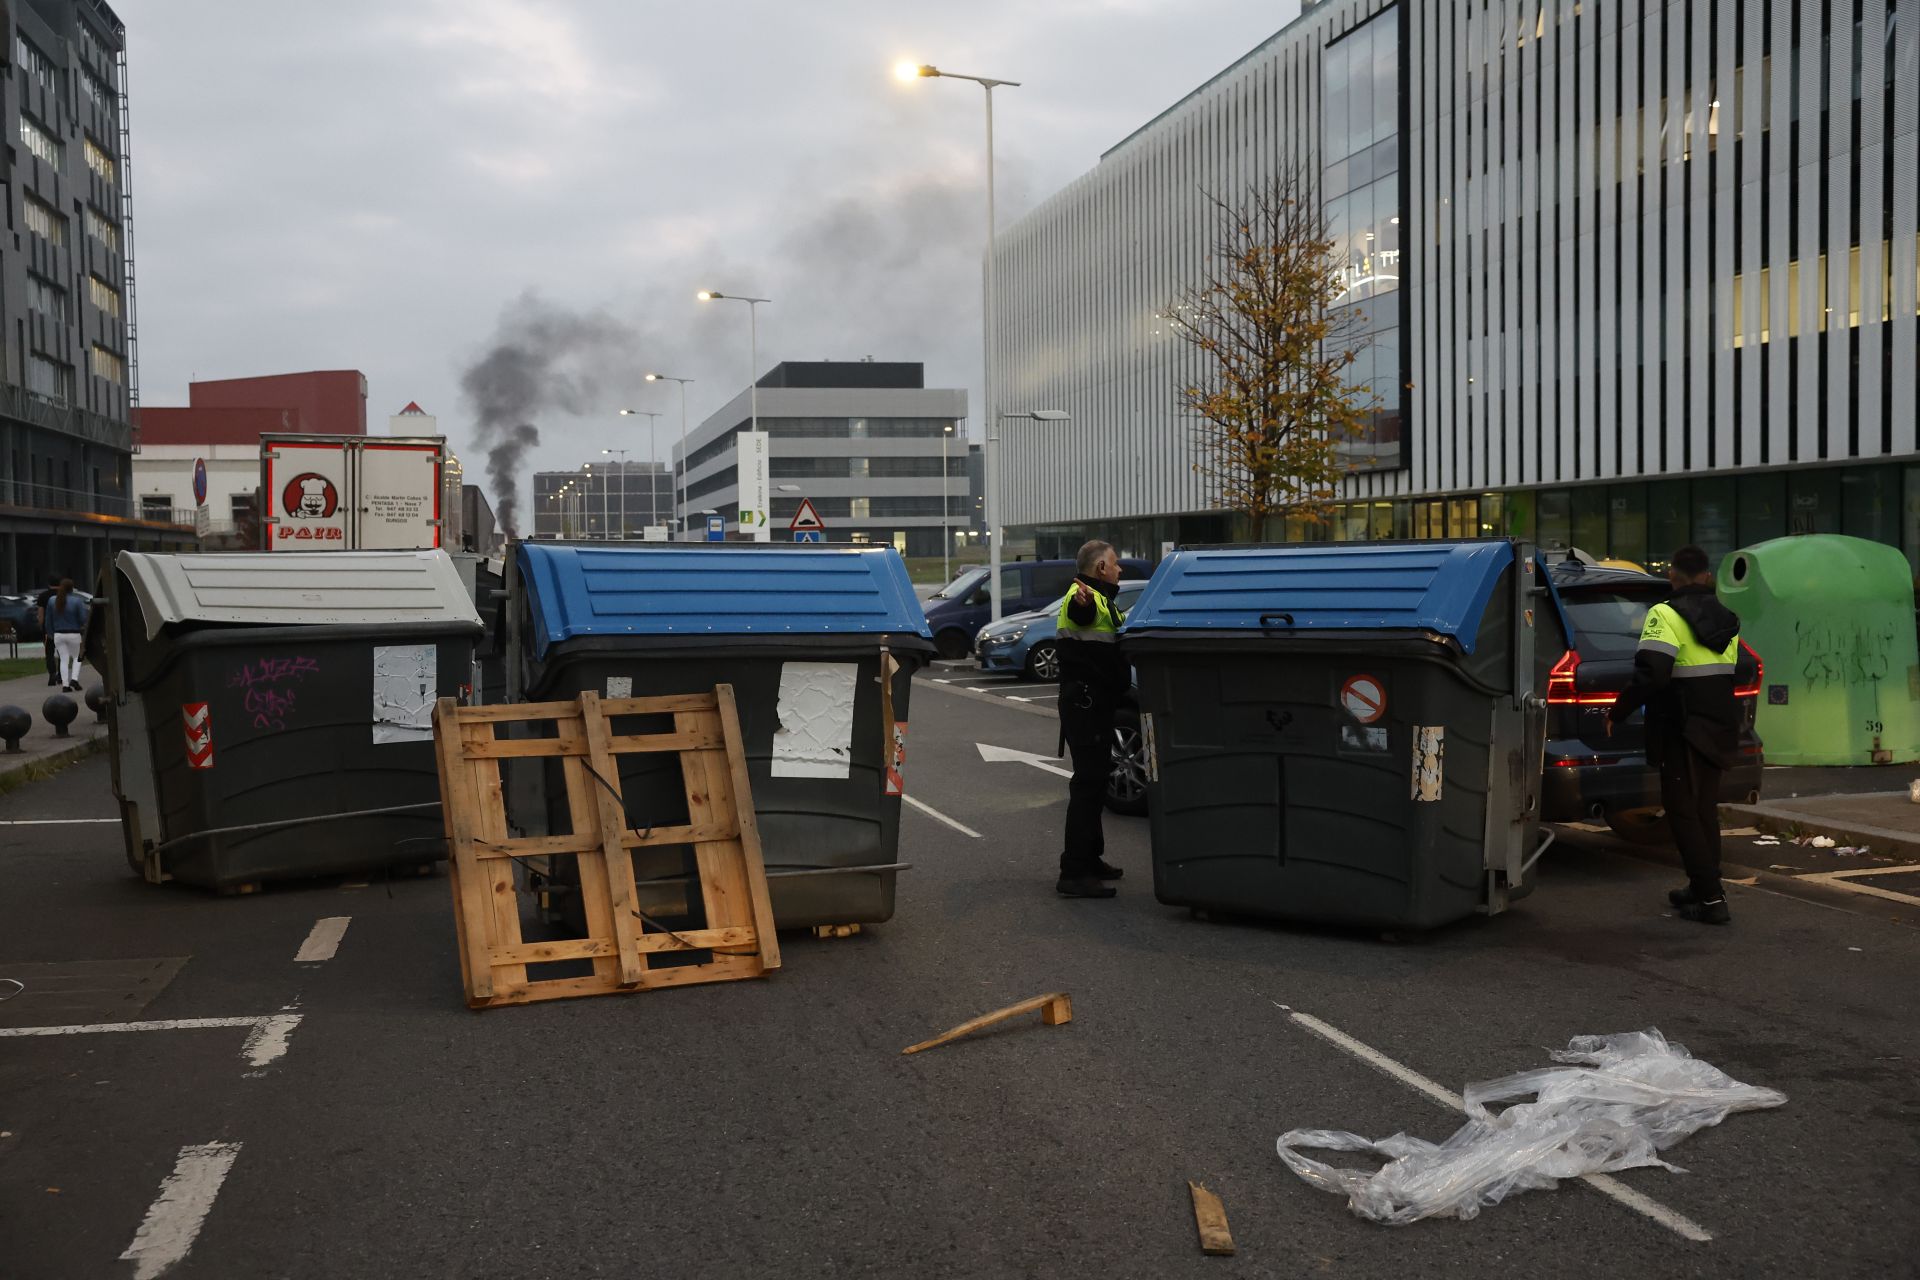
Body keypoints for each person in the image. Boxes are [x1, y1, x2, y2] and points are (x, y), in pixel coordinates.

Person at [1607, 546, 1746, 925]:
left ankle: (1712, 900)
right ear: (1706, 574)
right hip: (1718, 724)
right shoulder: (1727, 617)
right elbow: (1739, 669)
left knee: (1683, 811)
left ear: (1672, 575)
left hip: (1682, 727)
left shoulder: (1664, 614)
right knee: (1703, 809)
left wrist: (1618, 711)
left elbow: (1652, 673)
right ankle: (1702, 886)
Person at [1054, 540, 1129, 898]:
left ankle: (1090, 858)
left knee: (1095, 784)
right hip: (1086, 707)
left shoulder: (1103, 600)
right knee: (1087, 786)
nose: (1120, 569)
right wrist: (1081, 604)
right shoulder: (1081, 598)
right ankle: (1074, 872)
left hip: (1092, 706)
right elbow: (1079, 612)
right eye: (1115, 563)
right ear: (1100, 568)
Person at [44, 579, 89, 693]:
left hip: (58, 634)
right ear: (72, 589)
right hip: (73, 633)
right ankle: (74, 679)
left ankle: (65, 685)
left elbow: (48, 620)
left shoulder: (52, 601)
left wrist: (50, 633)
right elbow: (83, 619)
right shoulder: (77, 601)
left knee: (64, 659)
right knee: (77, 658)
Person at [32, 577, 60, 686]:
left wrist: (41, 626)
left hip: (48, 629)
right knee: (62, 652)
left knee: (49, 652)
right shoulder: (64, 595)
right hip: (62, 627)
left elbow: (41, 614)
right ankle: (62, 675)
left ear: (49, 584)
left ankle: (52, 673)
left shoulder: (43, 596)